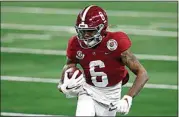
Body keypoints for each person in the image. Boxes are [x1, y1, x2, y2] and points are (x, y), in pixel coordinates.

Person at [57, 5, 149, 116]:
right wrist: (63, 84)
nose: (85, 35)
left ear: (102, 28)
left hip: (111, 94)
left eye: (90, 31)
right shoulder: (75, 43)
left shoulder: (116, 42)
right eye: (82, 31)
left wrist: (128, 97)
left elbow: (142, 73)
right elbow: (70, 64)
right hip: (88, 90)